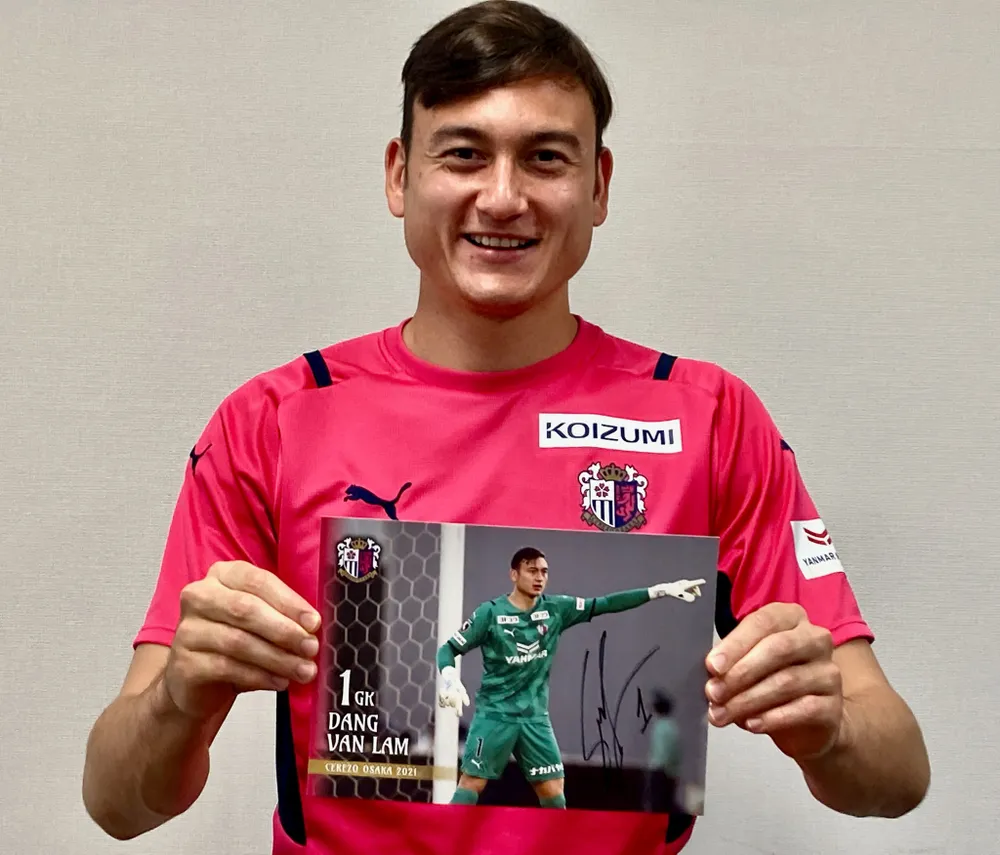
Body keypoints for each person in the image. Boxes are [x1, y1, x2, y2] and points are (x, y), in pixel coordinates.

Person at [81, 2, 930, 854]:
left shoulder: (708, 418)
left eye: (545, 158)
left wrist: (828, 726)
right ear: (399, 176)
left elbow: (897, 775)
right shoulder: (271, 421)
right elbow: (119, 804)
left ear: (598, 185)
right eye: (463, 153)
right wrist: (177, 696)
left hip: (544, 731)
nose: (503, 197)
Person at [435, 547, 703, 809]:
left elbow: (605, 604)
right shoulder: (490, 613)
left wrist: (658, 591)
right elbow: (448, 649)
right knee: (472, 783)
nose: (539, 577)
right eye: (532, 571)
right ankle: (444, 835)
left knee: (553, 791)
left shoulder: (556, 609)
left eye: (544, 571)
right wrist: (450, 680)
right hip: (495, 716)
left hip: (534, 720)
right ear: (514, 575)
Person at [644, 692, 683, 815]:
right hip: (671, 773)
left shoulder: (660, 727)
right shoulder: (673, 727)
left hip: (659, 772)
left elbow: (660, 755)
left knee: (657, 804)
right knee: (667, 803)